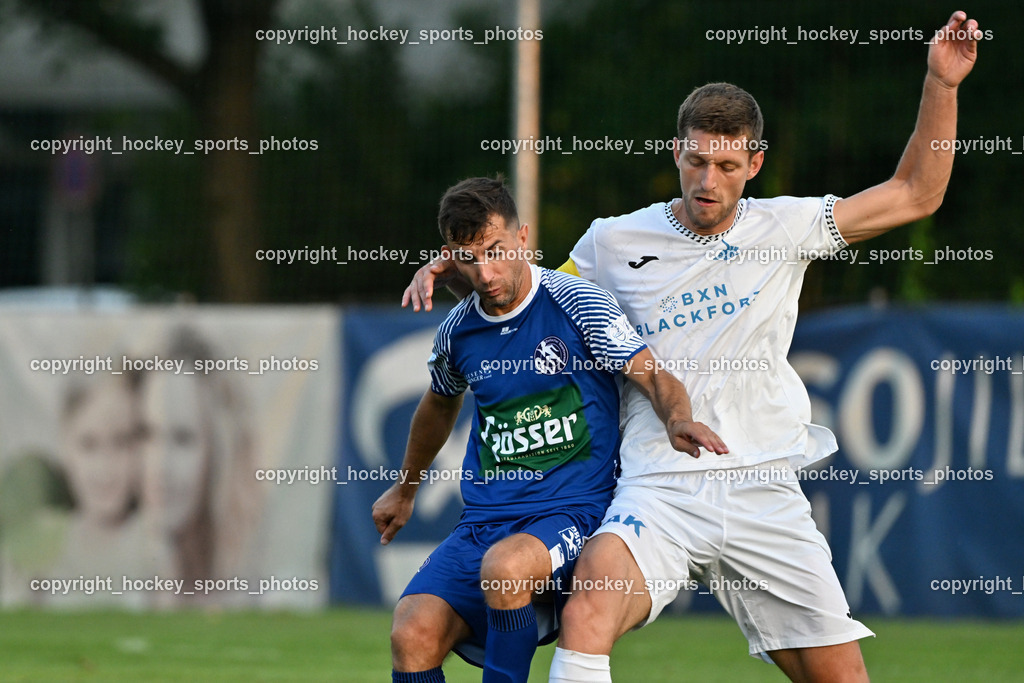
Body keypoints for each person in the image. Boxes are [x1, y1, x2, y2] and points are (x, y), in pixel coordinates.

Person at [401, 12, 981, 682]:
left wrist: (941, 82)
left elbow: (916, 193)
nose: (708, 180)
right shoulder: (612, 242)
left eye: (727, 165)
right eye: (697, 160)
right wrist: (457, 270)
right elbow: (526, 298)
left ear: (754, 163)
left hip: (761, 481)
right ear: (676, 151)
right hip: (658, 488)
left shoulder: (787, 226)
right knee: (591, 610)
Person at [373, 176, 726, 683]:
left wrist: (677, 419)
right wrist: (404, 491)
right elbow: (436, 406)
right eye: (469, 258)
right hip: (485, 521)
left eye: (496, 251)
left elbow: (651, 373)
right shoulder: (458, 330)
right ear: (450, 256)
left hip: (573, 511)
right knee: (411, 633)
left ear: (523, 238)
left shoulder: (577, 303)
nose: (487, 272)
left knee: (506, 568)